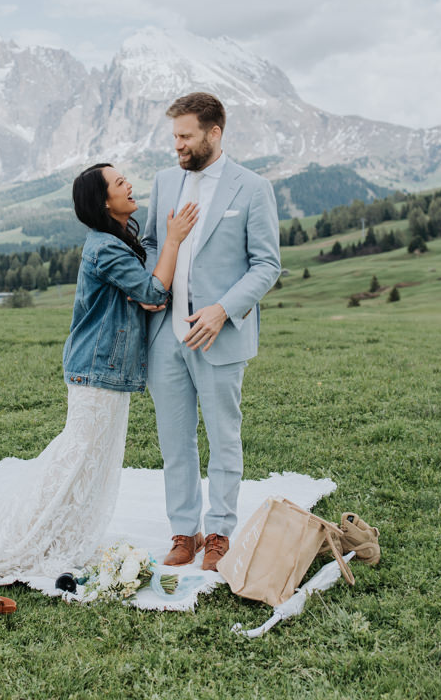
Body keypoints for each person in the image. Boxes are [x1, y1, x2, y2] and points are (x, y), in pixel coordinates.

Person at [0, 164, 198, 577]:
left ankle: (63, 533)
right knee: (75, 458)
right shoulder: (106, 248)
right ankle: (23, 536)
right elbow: (153, 292)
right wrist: (173, 240)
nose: (129, 184)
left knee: (88, 461)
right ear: (104, 202)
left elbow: (149, 297)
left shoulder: (112, 241)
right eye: (119, 183)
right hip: (97, 370)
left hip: (103, 370)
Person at [142, 91, 281, 571]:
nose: (177, 145)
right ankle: (184, 532)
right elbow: (152, 247)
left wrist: (222, 310)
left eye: (185, 136)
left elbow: (267, 265)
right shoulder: (163, 183)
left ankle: (219, 533)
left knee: (224, 439)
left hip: (220, 335)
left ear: (213, 133)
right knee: (173, 440)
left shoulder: (252, 188)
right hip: (166, 336)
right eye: (174, 136)